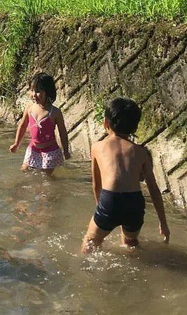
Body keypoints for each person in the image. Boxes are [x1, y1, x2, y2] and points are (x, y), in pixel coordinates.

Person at [81, 97, 170, 253]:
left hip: (110, 200)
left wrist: (100, 208)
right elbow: (154, 189)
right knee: (130, 243)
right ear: (134, 128)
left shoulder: (97, 147)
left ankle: (84, 272)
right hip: (134, 203)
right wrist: (163, 222)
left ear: (106, 123)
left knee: (91, 242)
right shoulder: (141, 152)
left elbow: (96, 184)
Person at [9, 72, 70, 173]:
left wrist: (66, 150)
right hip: (33, 149)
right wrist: (16, 144)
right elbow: (23, 126)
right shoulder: (30, 107)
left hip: (50, 151)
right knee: (24, 171)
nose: (34, 95)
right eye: (32, 90)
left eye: (38, 91)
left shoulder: (54, 112)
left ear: (48, 92)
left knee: (46, 178)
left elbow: (62, 132)